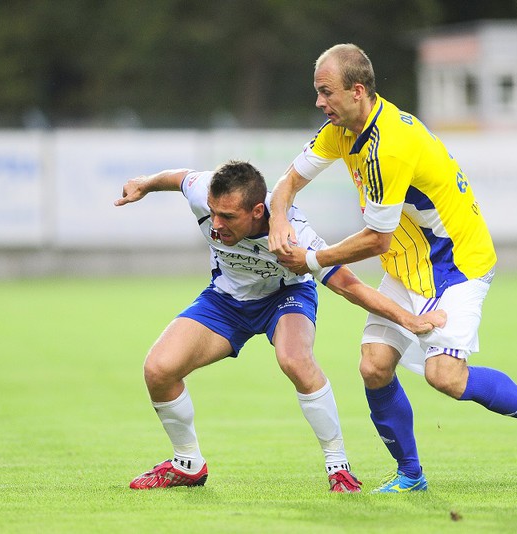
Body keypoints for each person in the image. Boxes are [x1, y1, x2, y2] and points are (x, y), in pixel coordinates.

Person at [267, 43, 517, 493]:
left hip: (456, 263)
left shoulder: (388, 147)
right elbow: (287, 182)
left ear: (357, 91)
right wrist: (279, 218)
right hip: (407, 263)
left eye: (326, 92)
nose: (319, 102)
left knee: (445, 376)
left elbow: (376, 239)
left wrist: (312, 259)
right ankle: (410, 475)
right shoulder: (341, 128)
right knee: (374, 367)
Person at [114, 160, 446, 492]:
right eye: (213, 212)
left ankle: (338, 466)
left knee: (295, 360)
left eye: (228, 217)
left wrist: (410, 320)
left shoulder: (296, 235)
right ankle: (187, 464)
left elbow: (351, 286)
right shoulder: (204, 191)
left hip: (287, 295)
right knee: (158, 369)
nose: (216, 224)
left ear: (258, 211)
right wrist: (144, 183)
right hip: (226, 300)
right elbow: (179, 177)